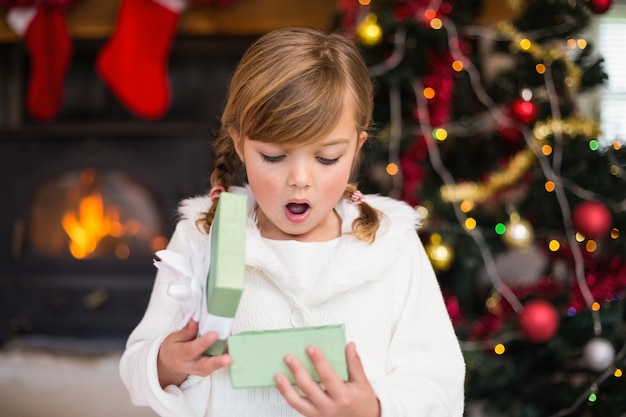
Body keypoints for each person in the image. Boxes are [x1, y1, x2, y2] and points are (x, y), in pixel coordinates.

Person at [119, 27, 465, 417]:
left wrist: (375, 409)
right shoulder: (202, 236)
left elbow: (440, 381)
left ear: (356, 149)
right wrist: (166, 362)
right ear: (239, 144)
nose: (300, 179)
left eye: (327, 158)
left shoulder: (391, 244)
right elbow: (137, 373)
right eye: (273, 157)